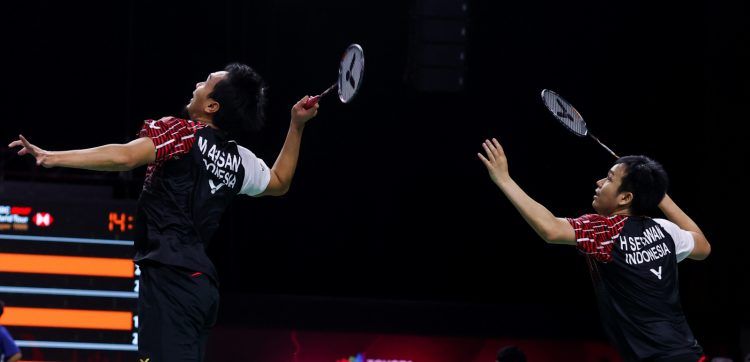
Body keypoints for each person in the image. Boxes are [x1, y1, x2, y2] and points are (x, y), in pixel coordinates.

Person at [8, 63, 319, 362]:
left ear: (212, 106)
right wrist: (296, 125)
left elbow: (126, 156)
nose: (197, 85)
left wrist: (51, 157)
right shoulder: (239, 160)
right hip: (200, 288)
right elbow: (279, 182)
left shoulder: (183, 132)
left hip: (170, 280)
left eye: (206, 82)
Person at [478, 138, 711, 362]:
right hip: (689, 353)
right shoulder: (665, 230)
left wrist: (504, 179)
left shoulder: (604, 231)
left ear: (626, 198)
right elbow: (703, 247)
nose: (599, 182)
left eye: (609, 179)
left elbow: (550, 229)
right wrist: (661, 197)